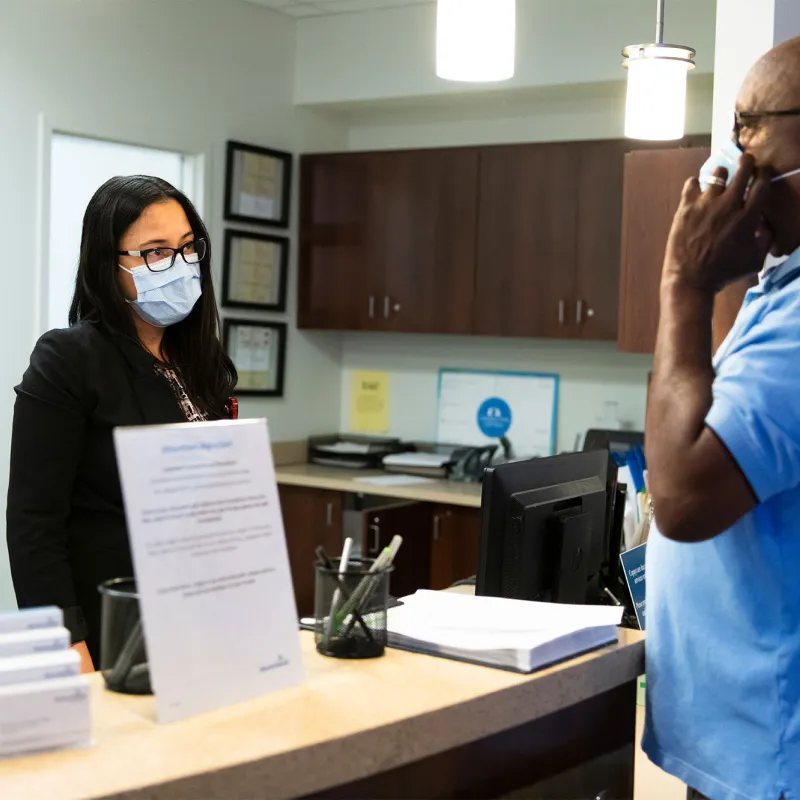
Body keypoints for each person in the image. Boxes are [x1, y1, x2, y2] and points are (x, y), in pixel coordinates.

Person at [644, 36, 800, 800]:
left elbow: (683, 499)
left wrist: (683, 282)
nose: (734, 151)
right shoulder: (781, 292)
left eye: (750, 123)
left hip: (769, 756)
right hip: (741, 744)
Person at [6, 176, 237, 673]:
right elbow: (33, 526)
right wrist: (67, 648)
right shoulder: (68, 358)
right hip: (113, 628)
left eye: (187, 247)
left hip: (205, 618)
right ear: (107, 265)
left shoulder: (201, 359)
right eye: (154, 252)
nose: (177, 265)